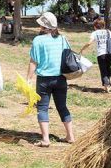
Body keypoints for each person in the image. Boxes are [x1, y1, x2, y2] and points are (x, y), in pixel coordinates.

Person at [27, 11, 74, 147]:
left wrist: (29, 79)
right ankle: (70, 136)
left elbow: (33, 61)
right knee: (62, 107)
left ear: (43, 26)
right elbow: (68, 56)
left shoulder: (38, 40)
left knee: (42, 108)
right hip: (60, 78)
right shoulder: (63, 39)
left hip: (43, 80)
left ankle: (46, 139)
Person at [79, 19, 111, 92]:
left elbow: (89, 43)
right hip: (110, 53)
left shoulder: (95, 33)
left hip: (101, 54)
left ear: (95, 26)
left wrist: (82, 49)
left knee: (103, 70)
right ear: (103, 25)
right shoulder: (108, 32)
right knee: (108, 67)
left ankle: (106, 87)